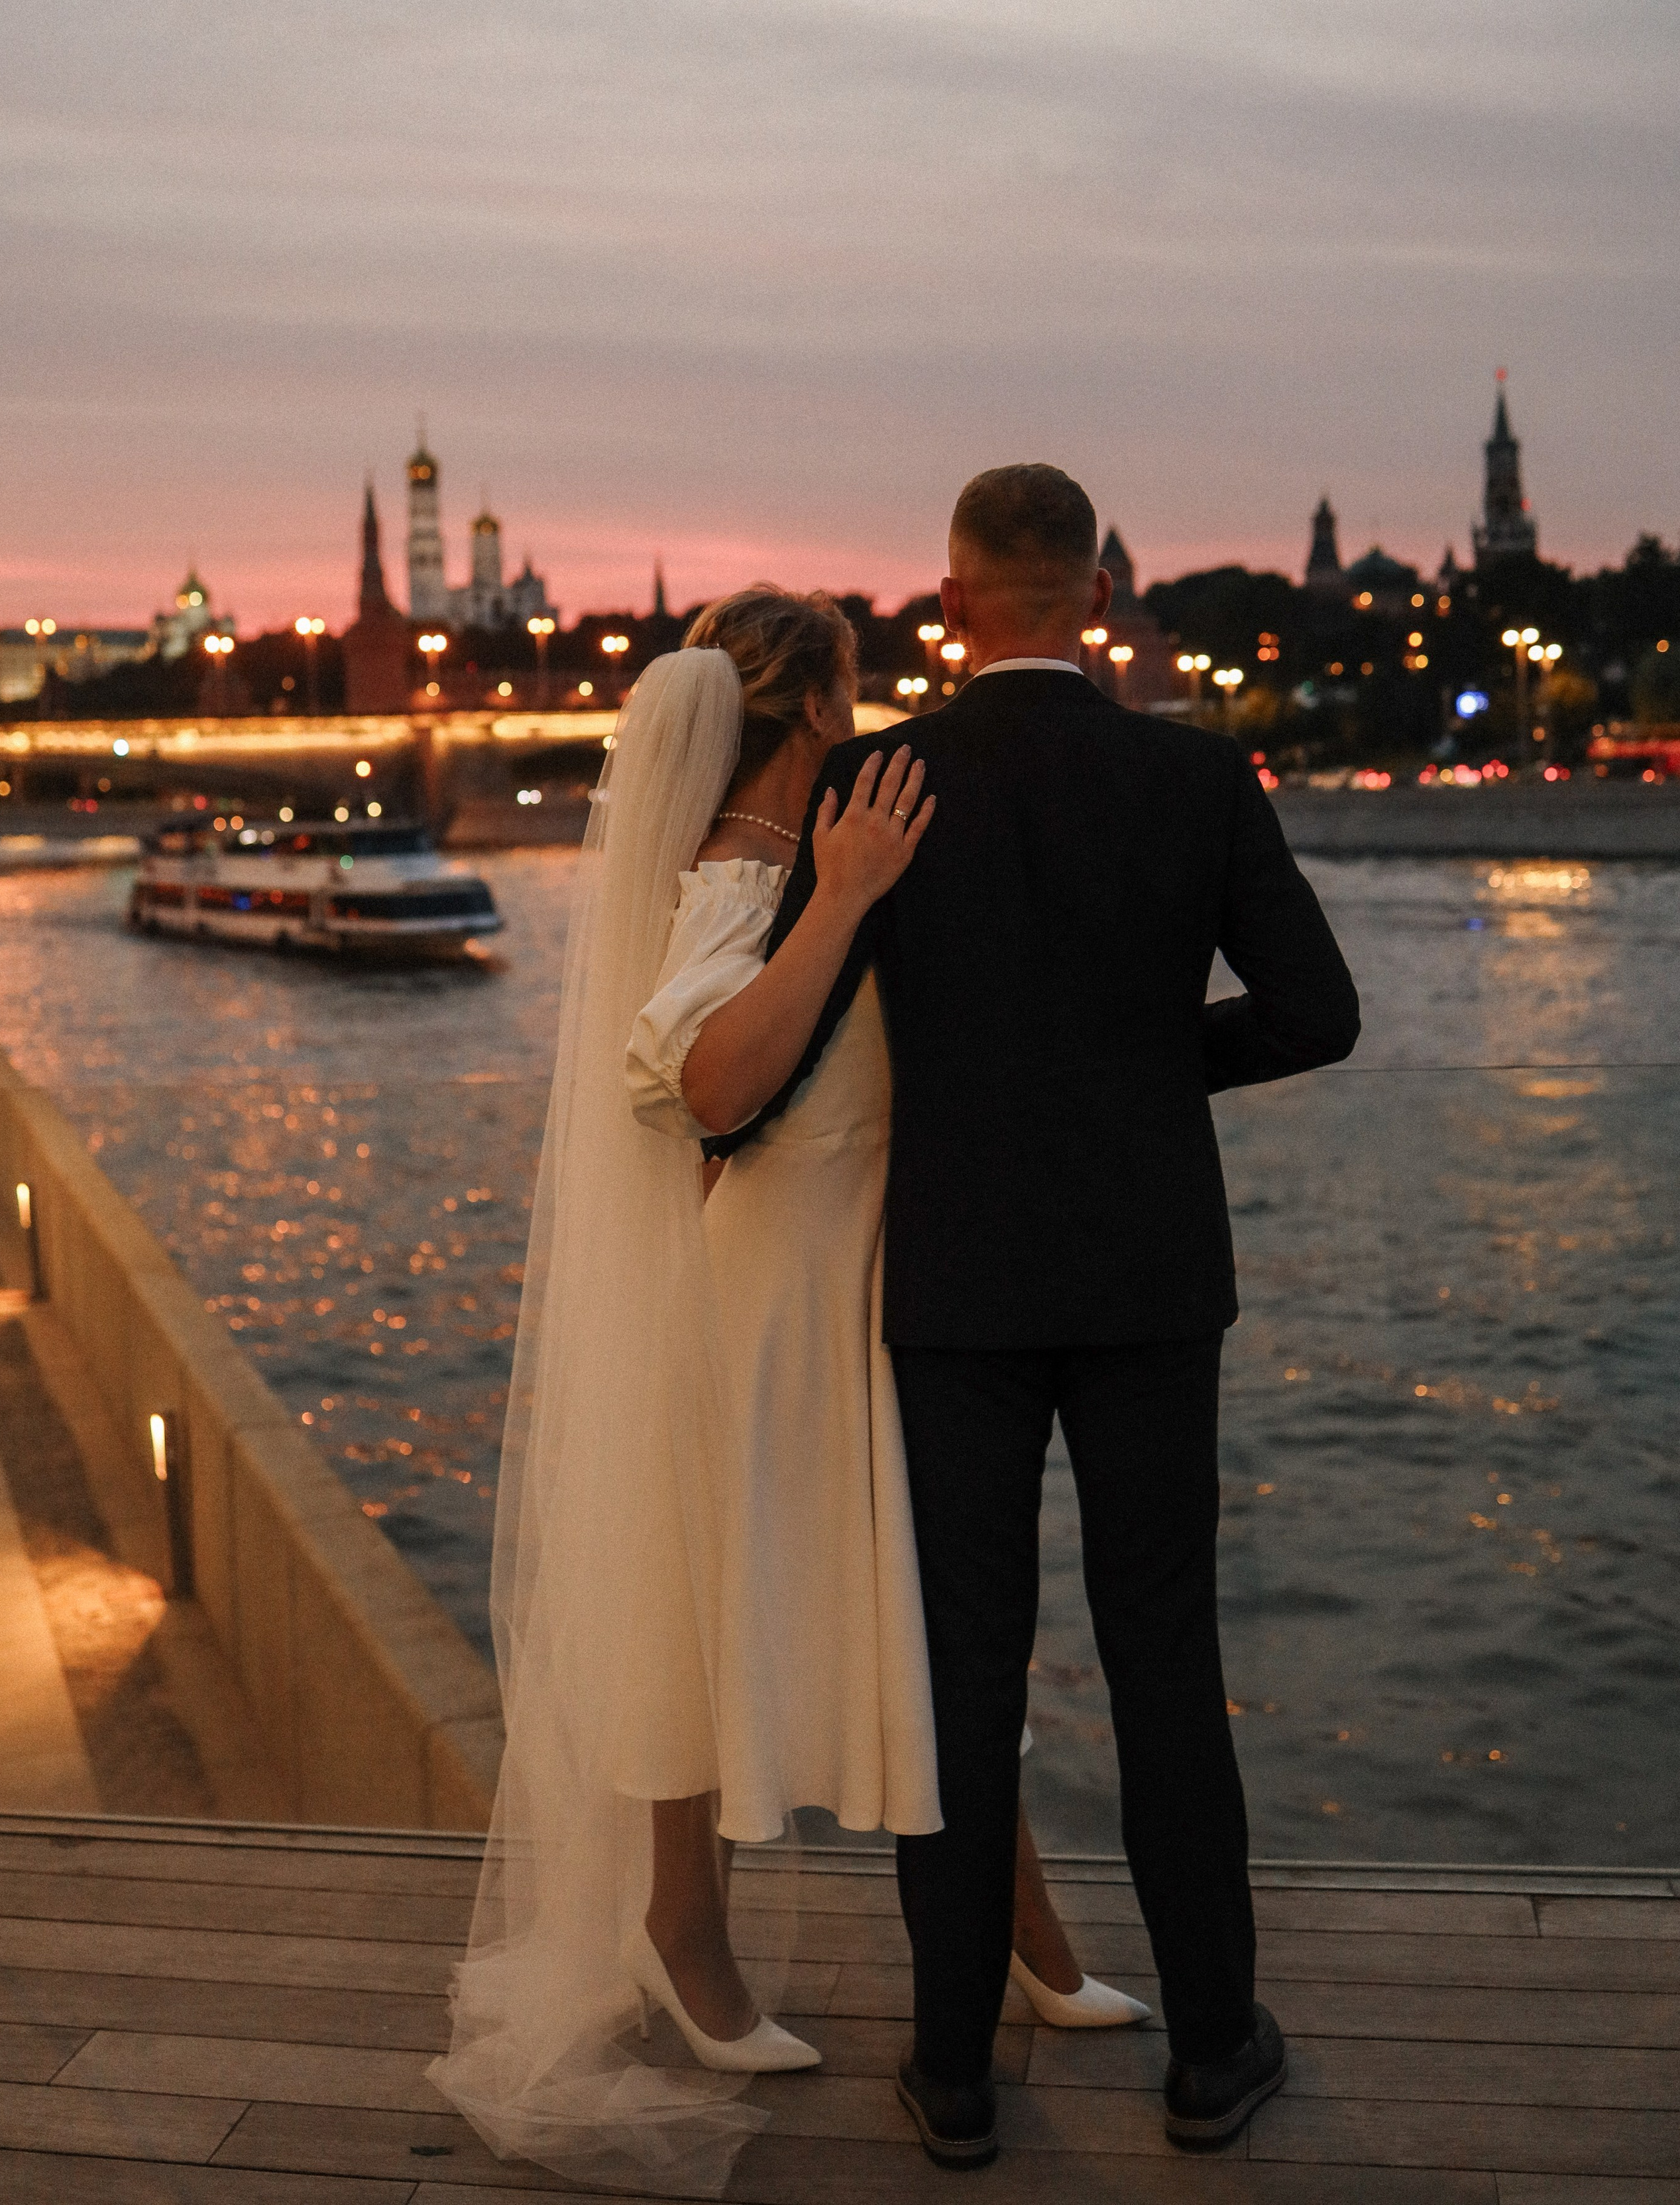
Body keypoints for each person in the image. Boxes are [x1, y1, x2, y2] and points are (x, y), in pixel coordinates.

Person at [431, 589, 1142, 2199]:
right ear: (813, 695)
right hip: (772, 1296)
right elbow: (696, 1079)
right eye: (851, 668)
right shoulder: (761, 864)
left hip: (859, 1278)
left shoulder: (816, 825)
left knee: (919, 1624)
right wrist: (842, 901)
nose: (870, 688)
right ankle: (691, 1934)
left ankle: (1020, 1935)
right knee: (733, 1612)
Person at [724, 470, 1361, 2169]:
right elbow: (1317, 1013)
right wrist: (1153, 1072)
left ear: (951, 599)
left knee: (959, 1668)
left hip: (957, 1283)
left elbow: (774, 1054)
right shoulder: (1193, 770)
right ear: (1090, 595)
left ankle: (952, 2076)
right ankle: (1215, 2049)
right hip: (1153, 1277)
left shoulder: (881, 778)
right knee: (1167, 1658)